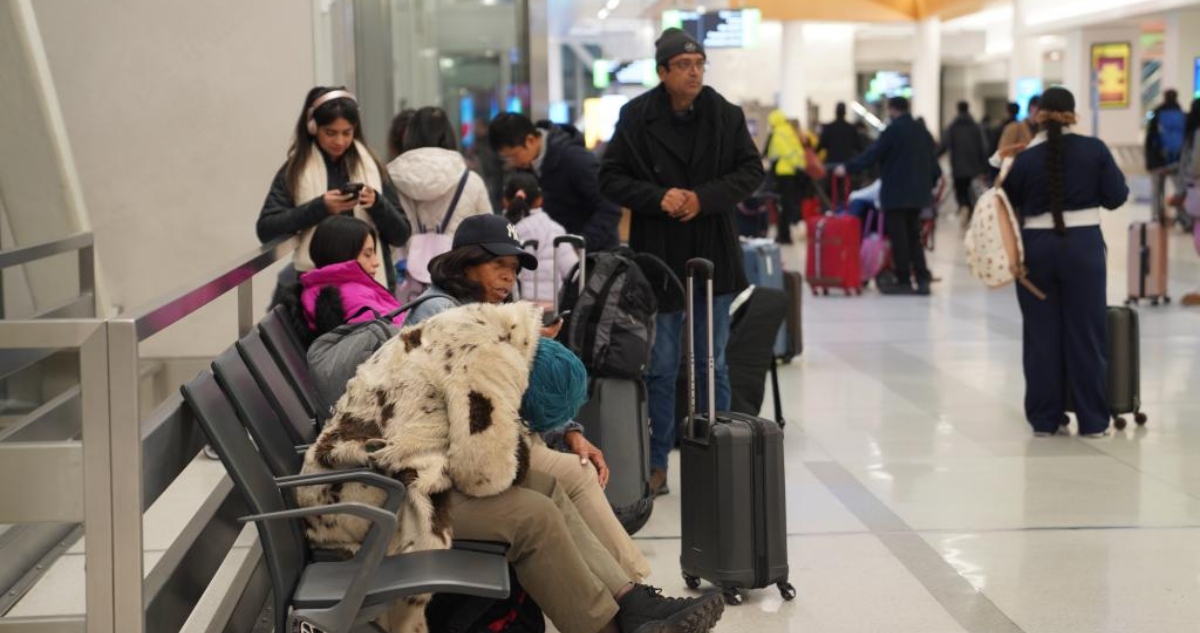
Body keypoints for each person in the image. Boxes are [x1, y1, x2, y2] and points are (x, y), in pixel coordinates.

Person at [298, 302, 723, 633]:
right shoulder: (493, 364)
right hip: (365, 499)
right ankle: (607, 628)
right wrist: (507, 441)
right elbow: (481, 474)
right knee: (532, 517)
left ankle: (632, 602)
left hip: (389, 475)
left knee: (549, 487)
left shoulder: (487, 329)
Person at [404, 213, 652, 581]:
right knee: (570, 480)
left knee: (576, 472)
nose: (509, 276)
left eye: (515, 268)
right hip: (449, 459)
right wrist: (522, 350)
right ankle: (634, 589)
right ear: (465, 263)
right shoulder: (439, 311)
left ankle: (628, 588)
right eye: (498, 264)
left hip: (485, 443)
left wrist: (570, 431)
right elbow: (482, 396)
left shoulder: (481, 309)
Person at [599, 27, 763, 496]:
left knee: (712, 362)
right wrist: (657, 196)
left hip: (713, 249)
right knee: (662, 364)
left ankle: (720, 457)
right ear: (663, 71)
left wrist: (703, 197)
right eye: (685, 66)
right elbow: (610, 178)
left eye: (699, 65)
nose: (695, 73)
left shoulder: (724, 115)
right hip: (661, 258)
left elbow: (751, 171)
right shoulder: (636, 117)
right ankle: (657, 463)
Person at [1001, 87, 1128, 438]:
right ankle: (1093, 420)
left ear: (1038, 115)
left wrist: (1001, 161)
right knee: (1087, 334)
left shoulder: (1024, 159)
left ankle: (1045, 419)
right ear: (1073, 114)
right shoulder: (1095, 150)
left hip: (1036, 251)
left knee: (1041, 334)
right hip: (1084, 248)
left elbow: (1002, 200)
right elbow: (1117, 197)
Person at [257, 87, 411, 295]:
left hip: (373, 286)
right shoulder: (295, 170)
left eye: (347, 133)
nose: (339, 141)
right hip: (320, 293)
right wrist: (321, 207)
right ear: (313, 127)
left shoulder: (373, 166)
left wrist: (377, 203)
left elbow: (401, 234)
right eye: (330, 133)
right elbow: (267, 229)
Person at [834, 96, 941, 295]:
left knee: (899, 237)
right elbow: (935, 167)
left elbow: (872, 155)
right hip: (918, 195)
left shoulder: (892, 131)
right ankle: (922, 278)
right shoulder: (922, 131)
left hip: (895, 192)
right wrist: (928, 186)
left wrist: (848, 168)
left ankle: (903, 280)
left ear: (892, 110)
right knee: (914, 237)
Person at [488, 112, 622, 251]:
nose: (512, 162)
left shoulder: (575, 159)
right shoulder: (524, 169)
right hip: (552, 258)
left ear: (530, 140)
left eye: (514, 155)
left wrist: (580, 244)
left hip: (593, 258)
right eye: (506, 158)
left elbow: (610, 206)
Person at [387, 106, 493, 261]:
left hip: (404, 277)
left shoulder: (390, 179)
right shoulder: (471, 181)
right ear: (449, 136)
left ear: (410, 136)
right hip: (459, 274)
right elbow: (489, 235)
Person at [298, 215, 409, 339]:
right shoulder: (351, 296)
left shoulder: (325, 288)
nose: (376, 262)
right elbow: (396, 338)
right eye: (368, 254)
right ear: (343, 253)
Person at [502, 171, 579, 305]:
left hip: (515, 310)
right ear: (540, 200)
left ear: (505, 201)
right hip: (552, 307)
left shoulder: (501, 230)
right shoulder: (556, 231)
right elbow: (573, 271)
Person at [939, 101, 989, 219]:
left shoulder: (952, 127)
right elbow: (984, 147)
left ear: (958, 109)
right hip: (974, 167)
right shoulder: (976, 127)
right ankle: (970, 212)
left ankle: (963, 207)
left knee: (960, 191)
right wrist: (984, 167)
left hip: (958, 167)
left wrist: (933, 156)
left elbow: (944, 145)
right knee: (972, 192)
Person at [1145, 89, 1188, 225]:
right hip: (1179, 160)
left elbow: (1150, 139)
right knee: (1180, 190)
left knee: (1156, 191)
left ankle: (1157, 217)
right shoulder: (1183, 115)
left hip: (1159, 161)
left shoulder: (1157, 115)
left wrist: (1149, 161)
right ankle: (1184, 218)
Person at [765, 109, 806, 244]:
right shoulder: (789, 131)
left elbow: (774, 154)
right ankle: (785, 234)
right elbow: (797, 151)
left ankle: (784, 235)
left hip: (782, 173)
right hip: (793, 172)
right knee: (787, 205)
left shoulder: (778, 133)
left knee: (782, 205)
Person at [819, 102, 868, 190]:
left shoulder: (828, 128)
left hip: (831, 164)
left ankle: (831, 202)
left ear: (835, 112)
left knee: (830, 189)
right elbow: (860, 147)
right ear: (845, 113)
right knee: (848, 189)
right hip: (847, 164)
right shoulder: (851, 128)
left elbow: (820, 146)